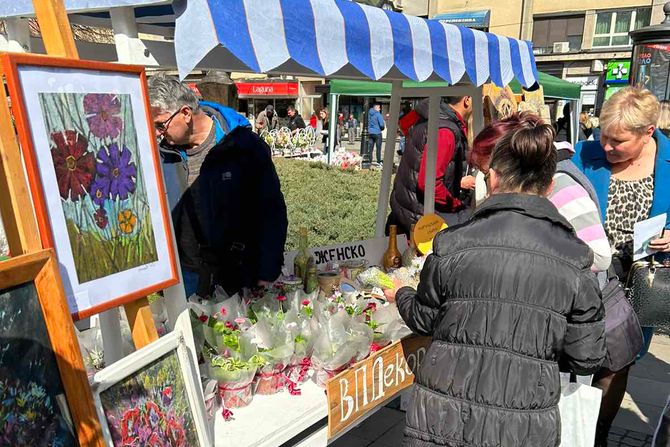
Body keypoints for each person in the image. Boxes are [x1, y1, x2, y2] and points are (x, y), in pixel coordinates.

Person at [386, 114, 606, 447]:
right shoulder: (575, 259)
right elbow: (586, 356)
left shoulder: (451, 244)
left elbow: (424, 319)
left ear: (491, 178)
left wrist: (402, 294)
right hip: (524, 423)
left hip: (443, 419)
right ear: (549, 186)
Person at [573, 86, 670, 446]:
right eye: (604, 136)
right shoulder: (584, 154)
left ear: (648, 132)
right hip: (586, 277)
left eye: (618, 141)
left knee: (618, 363)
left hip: (637, 283)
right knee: (573, 354)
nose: (607, 147)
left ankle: (598, 434)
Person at [148, 75, 288, 297]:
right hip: (183, 276)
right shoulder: (160, 153)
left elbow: (271, 211)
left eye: (160, 125)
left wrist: (267, 270)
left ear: (185, 113)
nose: (156, 133)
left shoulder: (243, 146)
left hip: (237, 275)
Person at [469, 114, 612, 272]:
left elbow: (600, 257)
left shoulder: (562, 186)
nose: (489, 186)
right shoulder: (534, 183)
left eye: (487, 175)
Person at [388, 96, 472, 235]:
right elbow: (429, 183)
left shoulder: (432, 115)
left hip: (408, 210)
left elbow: (404, 126)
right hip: (421, 221)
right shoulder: (445, 130)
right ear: (467, 99)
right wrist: (457, 206)